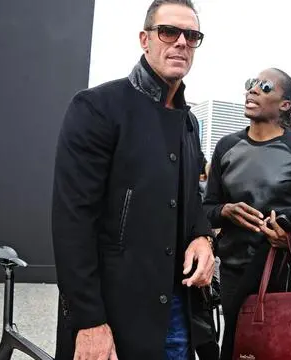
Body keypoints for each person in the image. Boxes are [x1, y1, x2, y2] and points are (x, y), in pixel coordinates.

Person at [51, 1, 216, 359]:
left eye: (192, 35)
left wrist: (202, 237)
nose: (181, 43)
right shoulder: (97, 107)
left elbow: (189, 199)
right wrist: (89, 321)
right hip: (117, 314)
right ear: (145, 38)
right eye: (169, 32)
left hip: (179, 312)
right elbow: (73, 223)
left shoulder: (189, 123)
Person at [202, 68, 291, 360]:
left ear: (285, 104)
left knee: (278, 347)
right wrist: (225, 210)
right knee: (240, 347)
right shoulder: (227, 146)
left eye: (264, 87)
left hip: (283, 270)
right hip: (235, 270)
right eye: (250, 85)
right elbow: (207, 208)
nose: (252, 91)